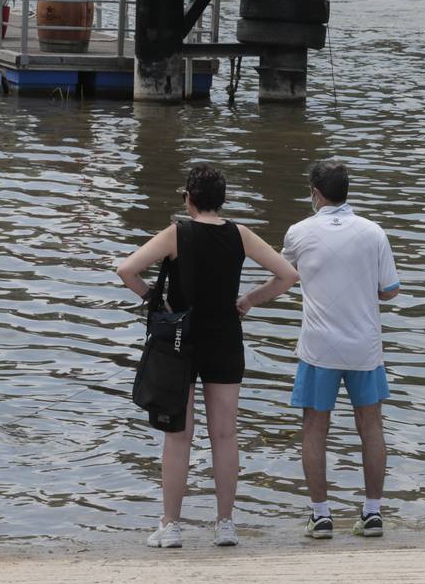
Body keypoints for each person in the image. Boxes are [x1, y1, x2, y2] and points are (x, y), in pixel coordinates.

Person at [117, 163, 298, 549]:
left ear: (188, 198)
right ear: (223, 200)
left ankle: (171, 526)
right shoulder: (241, 235)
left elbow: (126, 269)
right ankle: (225, 524)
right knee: (225, 433)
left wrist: (155, 301)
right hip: (225, 338)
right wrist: (248, 300)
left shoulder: (176, 233)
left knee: (179, 435)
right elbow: (286, 276)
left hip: (180, 342)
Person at [281, 160, 400, 539]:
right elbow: (390, 290)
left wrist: (247, 300)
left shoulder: (299, 232)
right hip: (365, 348)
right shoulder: (373, 232)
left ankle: (320, 515)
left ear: (316, 193)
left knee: (315, 429)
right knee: (372, 426)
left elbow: (284, 275)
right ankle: (372, 512)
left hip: (318, 349)